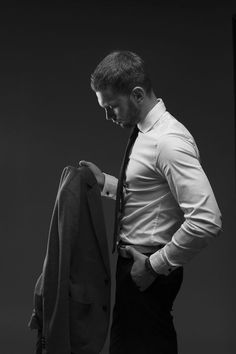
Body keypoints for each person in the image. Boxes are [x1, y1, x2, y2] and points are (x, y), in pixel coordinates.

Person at [79, 51, 222, 354]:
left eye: (112, 106)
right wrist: (105, 183)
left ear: (138, 94)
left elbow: (207, 219)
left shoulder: (168, 141)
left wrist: (154, 266)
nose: (108, 116)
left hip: (147, 270)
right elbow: (150, 196)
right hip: (135, 267)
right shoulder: (146, 132)